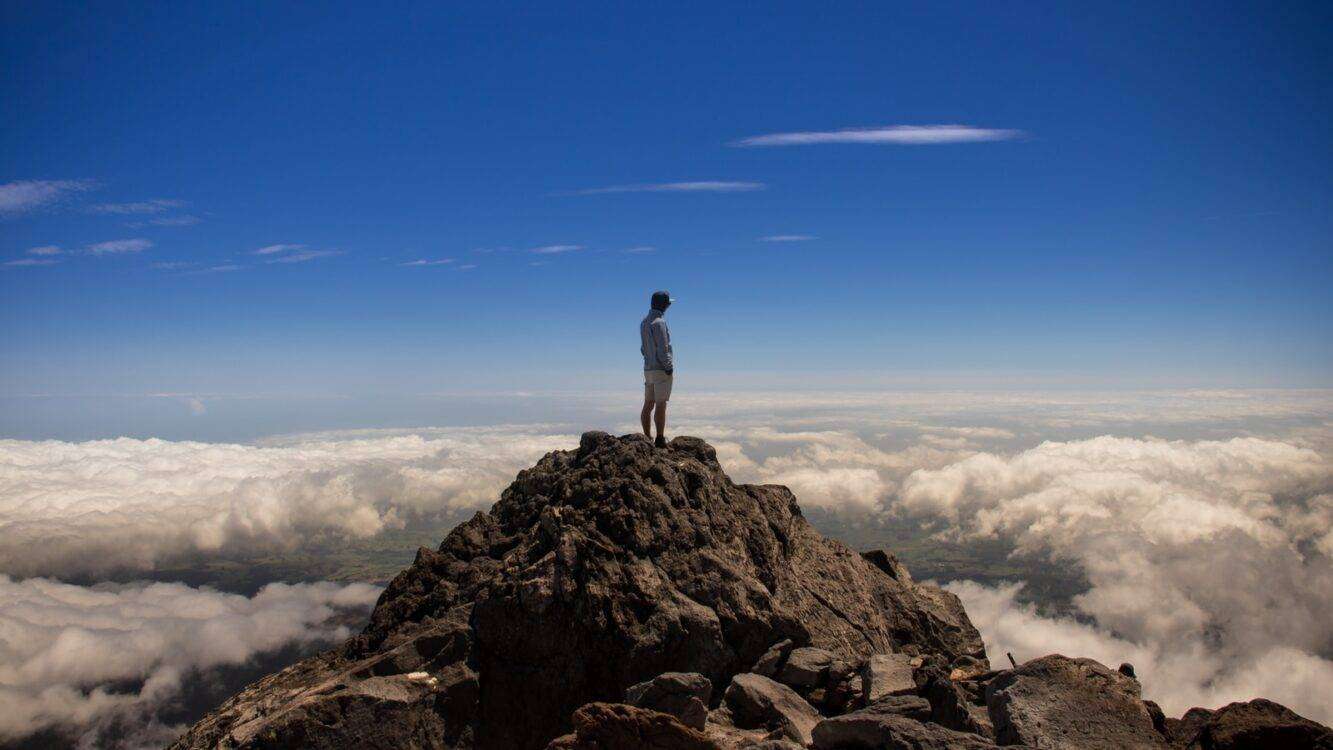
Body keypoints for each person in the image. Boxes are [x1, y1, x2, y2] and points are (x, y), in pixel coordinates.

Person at [640, 290, 674, 448]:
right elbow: (663, 348)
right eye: (668, 303)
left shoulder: (644, 323)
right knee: (661, 404)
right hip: (661, 369)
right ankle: (660, 439)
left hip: (648, 370)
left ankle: (647, 438)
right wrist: (669, 367)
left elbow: (643, 349)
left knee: (648, 404)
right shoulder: (660, 322)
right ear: (664, 304)